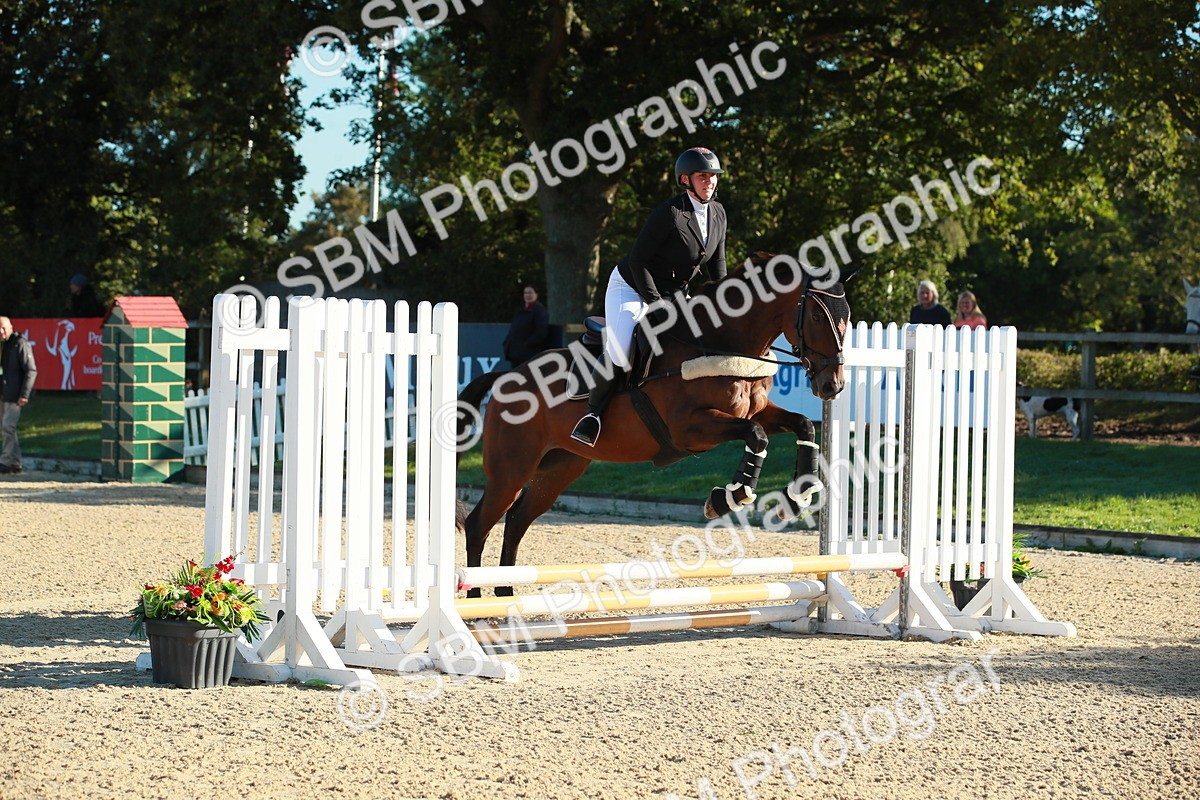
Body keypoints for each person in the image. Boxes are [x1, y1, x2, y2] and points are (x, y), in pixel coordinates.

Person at [570, 146, 728, 446]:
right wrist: (655, 304)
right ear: (685, 180)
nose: (710, 181)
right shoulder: (669, 213)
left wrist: (726, 301)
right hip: (630, 286)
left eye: (713, 176)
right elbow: (637, 261)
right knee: (622, 347)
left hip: (675, 292)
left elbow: (718, 265)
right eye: (702, 176)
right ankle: (592, 414)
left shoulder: (719, 213)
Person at [0, 316, 38, 475]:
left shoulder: (20, 343)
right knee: (7, 428)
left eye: (3, 328)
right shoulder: (4, 345)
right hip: (3, 393)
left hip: (15, 394)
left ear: (10, 327)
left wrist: (24, 394)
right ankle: (15, 463)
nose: (1, 331)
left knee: (8, 426)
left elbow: (31, 370)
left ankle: (6, 461)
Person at [502, 285, 550, 367]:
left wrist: (527, 344)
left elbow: (541, 332)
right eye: (525, 293)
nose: (528, 295)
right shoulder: (520, 311)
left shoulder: (539, 311)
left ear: (536, 295)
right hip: (515, 353)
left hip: (529, 354)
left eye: (530, 292)